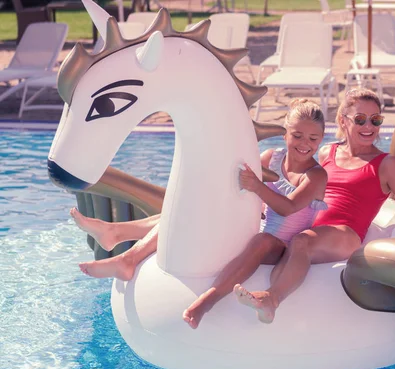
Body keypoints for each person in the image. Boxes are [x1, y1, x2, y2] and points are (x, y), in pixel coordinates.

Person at [72, 99, 328, 328]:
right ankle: (121, 244)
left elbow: (287, 207)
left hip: (282, 247)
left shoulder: (316, 175)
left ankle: (208, 300)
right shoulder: (271, 157)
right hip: (257, 230)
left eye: (313, 138)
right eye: (298, 135)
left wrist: (256, 186)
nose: (305, 144)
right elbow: (233, 182)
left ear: (322, 138)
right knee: (194, 210)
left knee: (263, 241)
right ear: (285, 134)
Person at [234, 88, 395, 324]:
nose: (369, 126)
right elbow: (296, 185)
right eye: (360, 119)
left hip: (345, 233)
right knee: (284, 248)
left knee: (301, 241)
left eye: (376, 120)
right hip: (310, 230)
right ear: (342, 121)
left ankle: (271, 299)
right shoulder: (328, 151)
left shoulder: (387, 164)